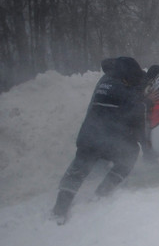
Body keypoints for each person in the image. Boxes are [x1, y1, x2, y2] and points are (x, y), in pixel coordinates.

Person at [51, 57, 148, 224]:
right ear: (126, 76)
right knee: (130, 155)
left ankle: (60, 208)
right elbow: (135, 111)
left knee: (77, 170)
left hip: (89, 136)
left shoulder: (107, 80)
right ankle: (102, 193)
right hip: (105, 140)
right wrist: (148, 101)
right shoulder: (122, 91)